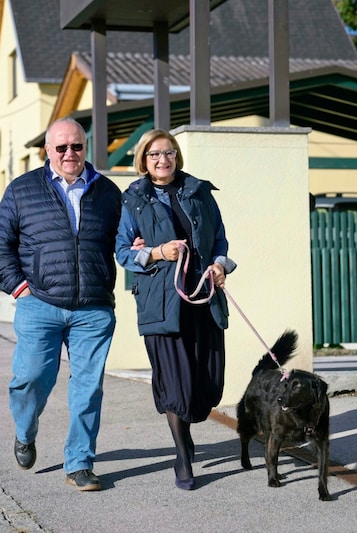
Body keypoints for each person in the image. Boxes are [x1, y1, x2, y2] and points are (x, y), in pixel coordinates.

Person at [0, 117, 121, 492]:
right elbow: (0, 246)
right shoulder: (21, 190)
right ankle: (25, 431)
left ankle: (79, 463)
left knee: (88, 388)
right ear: (47, 151)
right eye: (60, 147)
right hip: (40, 304)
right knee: (30, 379)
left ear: (86, 148)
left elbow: (127, 241)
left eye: (76, 146)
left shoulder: (108, 192)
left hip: (93, 308)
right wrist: (19, 289)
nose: (69, 153)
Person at [115, 129, 236, 490]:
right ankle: (182, 456)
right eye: (153, 154)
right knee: (174, 383)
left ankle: (188, 429)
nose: (162, 160)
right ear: (143, 160)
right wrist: (156, 252)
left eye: (168, 153)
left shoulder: (198, 192)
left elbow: (220, 239)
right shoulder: (133, 200)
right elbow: (123, 252)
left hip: (203, 297)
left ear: (176, 156)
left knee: (208, 385)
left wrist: (220, 265)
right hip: (160, 303)